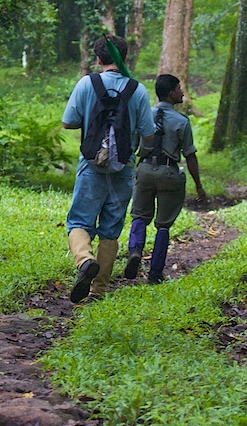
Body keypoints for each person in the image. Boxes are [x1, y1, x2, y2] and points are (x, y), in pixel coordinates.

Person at [62, 35, 155, 303]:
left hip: (91, 165)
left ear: (99, 58)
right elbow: (148, 135)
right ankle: (99, 290)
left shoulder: (86, 84)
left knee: (79, 221)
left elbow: (68, 122)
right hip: (124, 167)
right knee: (111, 230)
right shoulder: (137, 90)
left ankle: (84, 260)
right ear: (124, 58)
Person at [124, 74, 207, 284]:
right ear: (170, 93)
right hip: (169, 172)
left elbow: (131, 147)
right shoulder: (182, 122)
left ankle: (134, 250)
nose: (182, 92)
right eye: (179, 88)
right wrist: (198, 186)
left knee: (139, 216)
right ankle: (155, 273)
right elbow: (190, 155)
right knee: (163, 225)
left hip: (144, 169)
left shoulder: (144, 115)